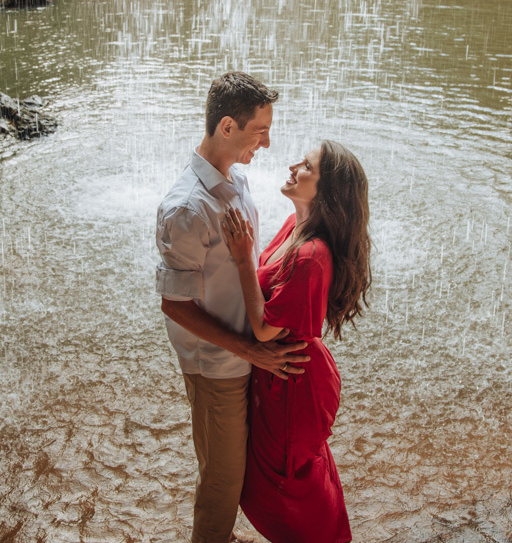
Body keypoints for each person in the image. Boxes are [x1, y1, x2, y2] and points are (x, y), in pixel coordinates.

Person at [156, 72, 312, 543]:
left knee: (238, 473)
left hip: (245, 355)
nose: (266, 143)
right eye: (258, 131)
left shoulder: (236, 177)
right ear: (228, 127)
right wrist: (252, 351)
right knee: (223, 483)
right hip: (218, 366)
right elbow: (175, 307)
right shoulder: (186, 208)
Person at [221, 140, 371, 543]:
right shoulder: (295, 227)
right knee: (291, 474)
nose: (292, 166)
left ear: (327, 190)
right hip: (281, 373)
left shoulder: (311, 255)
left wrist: (240, 256)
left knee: (286, 480)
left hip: (289, 382)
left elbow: (264, 327)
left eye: (306, 165)